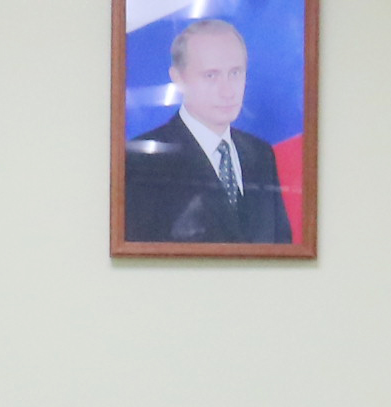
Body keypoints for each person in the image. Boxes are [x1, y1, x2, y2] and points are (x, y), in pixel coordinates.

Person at [121, 16, 292, 245]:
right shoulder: (143, 160)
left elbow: (282, 247)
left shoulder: (261, 154)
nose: (227, 91)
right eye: (211, 75)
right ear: (178, 79)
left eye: (235, 73)